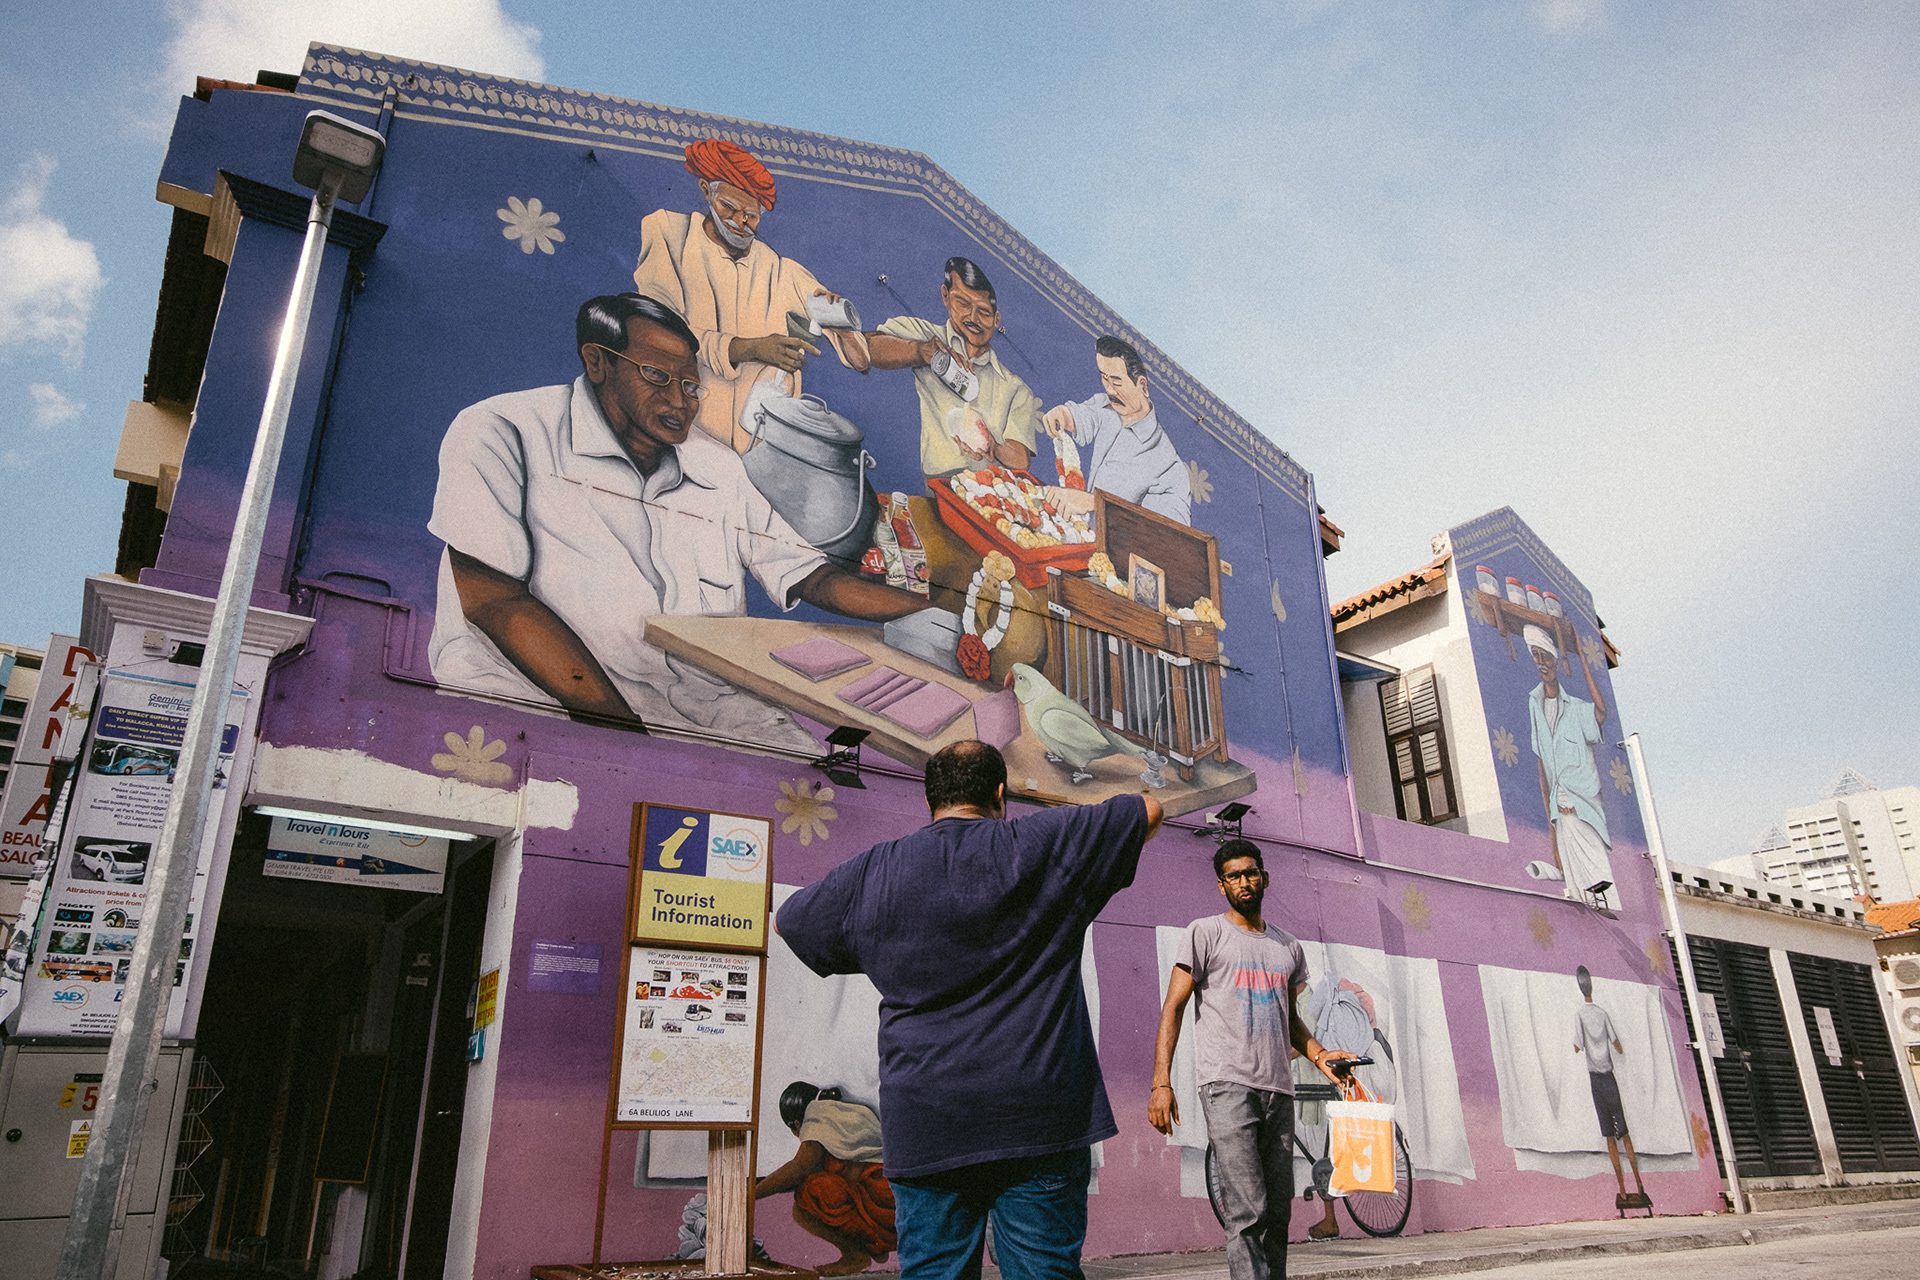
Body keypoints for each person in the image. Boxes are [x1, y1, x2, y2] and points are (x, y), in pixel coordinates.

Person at [428, 293, 923, 748]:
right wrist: (635, 746)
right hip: (541, 702)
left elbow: (809, 574)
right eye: (658, 377)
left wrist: (925, 615)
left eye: (691, 386)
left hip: (699, 705)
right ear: (596, 361)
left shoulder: (719, 467)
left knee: (814, 778)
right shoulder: (501, 431)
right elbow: (495, 602)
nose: (681, 402)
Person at [776, 741, 1163, 1280]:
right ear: (999, 794)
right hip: (1038, 1115)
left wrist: (883, 948)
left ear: (931, 799)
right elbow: (1148, 808)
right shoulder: (1043, 844)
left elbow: (792, 922)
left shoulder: (875, 871)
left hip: (928, 1118)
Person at [1149, 839, 1356, 1280]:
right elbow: (1174, 1008)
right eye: (1234, 876)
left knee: (1277, 1213)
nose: (1245, 881)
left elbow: (1291, 1020)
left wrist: (1321, 1057)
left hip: (1279, 1088)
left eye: (1251, 872)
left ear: (1265, 877)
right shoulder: (1205, 933)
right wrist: (1160, 1082)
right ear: (1222, 886)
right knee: (1248, 1209)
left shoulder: (1287, 947)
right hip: (1227, 1086)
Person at [632, 139, 866, 453]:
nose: (741, 223)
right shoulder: (669, 235)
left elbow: (860, 360)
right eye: (729, 207)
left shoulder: (778, 269)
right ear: (706, 191)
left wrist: (842, 330)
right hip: (686, 440)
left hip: (757, 452)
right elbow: (660, 333)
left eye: (750, 215)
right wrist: (753, 348)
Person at [865, 258, 1041, 478]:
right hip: (938, 487)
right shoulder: (928, 337)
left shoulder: (1015, 388)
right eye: (963, 303)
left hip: (989, 495)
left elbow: (1021, 460)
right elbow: (867, 348)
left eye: (984, 312)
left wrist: (992, 446)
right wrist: (919, 352)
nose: (972, 318)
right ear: (945, 296)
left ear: (996, 320)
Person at [1041, 336, 1191, 525]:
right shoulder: (1107, 408)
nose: (1110, 390)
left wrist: (1094, 503)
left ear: (1142, 386)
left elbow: (1162, 534)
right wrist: (1063, 414)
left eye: (1117, 381)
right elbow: (1085, 414)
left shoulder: (1168, 467)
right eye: (1104, 378)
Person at [756, 1082, 898, 1276]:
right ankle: (864, 1249)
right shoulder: (841, 1113)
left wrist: (751, 1193)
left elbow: (798, 1168)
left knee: (810, 1192)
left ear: (797, 1124)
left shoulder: (816, 1117)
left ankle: (855, 1255)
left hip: (883, 1198)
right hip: (894, 1197)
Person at [1524, 624, 1614, 902]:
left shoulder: (1575, 707)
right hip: (1559, 811)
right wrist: (1550, 829)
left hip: (1583, 804)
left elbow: (1601, 713)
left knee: (1600, 875)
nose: (1541, 662)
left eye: (1546, 656)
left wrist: (1586, 664)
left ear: (1556, 662)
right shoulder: (1534, 703)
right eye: (1536, 656)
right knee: (1577, 886)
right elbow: (1542, 766)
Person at [1573, 965, 1649, 1208]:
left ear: (1579, 987)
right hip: (1610, 1078)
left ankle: (1624, 1192)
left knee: (1609, 1136)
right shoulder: (1602, 1013)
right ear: (1591, 987)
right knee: (1624, 1133)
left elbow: (1577, 1046)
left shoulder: (1579, 1015)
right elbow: (1618, 1045)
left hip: (1596, 1080)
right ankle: (1639, 1184)